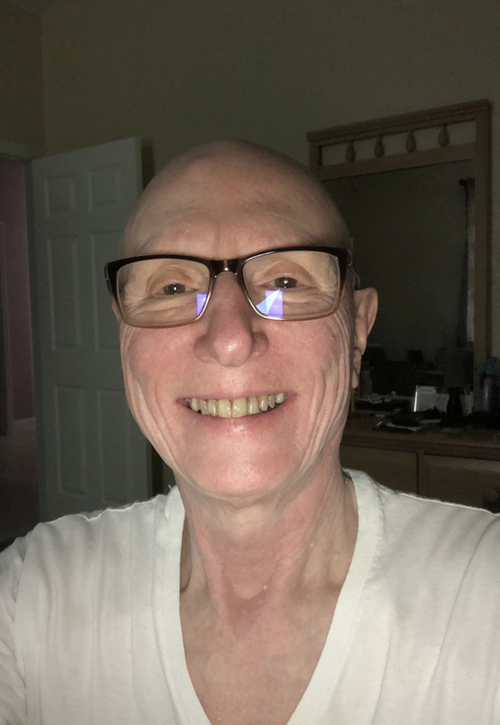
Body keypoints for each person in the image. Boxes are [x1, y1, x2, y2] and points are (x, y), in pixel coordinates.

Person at [1, 140, 499, 725]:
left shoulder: (484, 599)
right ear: (124, 341)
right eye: (172, 289)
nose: (231, 339)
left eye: (285, 281)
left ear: (358, 332)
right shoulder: (35, 595)